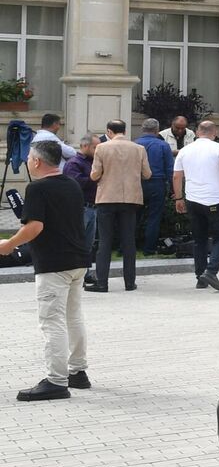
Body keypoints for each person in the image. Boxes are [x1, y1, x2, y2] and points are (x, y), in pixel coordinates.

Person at [4, 139, 92, 401]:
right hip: (77, 260)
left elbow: (34, 227)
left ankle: (56, 380)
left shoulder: (38, 188)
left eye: (30, 157)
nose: (29, 160)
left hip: (54, 264)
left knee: (52, 321)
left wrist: (8, 245)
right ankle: (78, 372)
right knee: (73, 317)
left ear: (37, 161)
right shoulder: (72, 184)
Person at [89, 119, 150, 292]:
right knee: (129, 241)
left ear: (109, 131)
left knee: (105, 242)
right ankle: (129, 282)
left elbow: (94, 175)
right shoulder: (139, 149)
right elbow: (147, 174)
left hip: (107, 198)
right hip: (131, 198)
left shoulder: (101, 148)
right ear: (124, 130)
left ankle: (102, 282)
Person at [174, 121, 219, 291]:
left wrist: (179, 198)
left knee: (199, 239)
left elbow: (177, 176)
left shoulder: (185, 150)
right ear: (215, 132)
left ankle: (200, 276)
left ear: (196, 132)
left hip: (193, 199)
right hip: (215, 198)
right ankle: (211, 271)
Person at [61, 136, 97, 285]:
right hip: (80, 208)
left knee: (88, 244)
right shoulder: (74, 163)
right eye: (95, 147)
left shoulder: (93, 162)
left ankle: (84, 272)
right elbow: (76, 184)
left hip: (93, 207)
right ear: (85, 146)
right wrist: (94, 177)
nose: (98, 150)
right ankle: (73, 274)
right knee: (77, 242)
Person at [136, 119, 173, 255]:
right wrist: (175, 190)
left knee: (133, 216)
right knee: (154, 217)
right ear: (157, 130)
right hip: (157, 183)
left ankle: (127, 246)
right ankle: (149, 248)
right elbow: (170, 169)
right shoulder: (163, 145)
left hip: (137, 183)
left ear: (142, 129)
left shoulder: (134, 144)